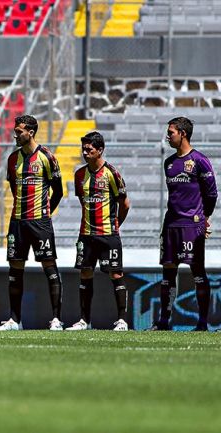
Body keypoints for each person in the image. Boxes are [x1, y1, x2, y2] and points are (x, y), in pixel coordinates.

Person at [0, 114, 65, 331]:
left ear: (30, 132)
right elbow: (15, 190)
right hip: (17, 222)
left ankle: (56, 319)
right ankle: (14, 320)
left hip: (40, 222)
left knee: (49, 266)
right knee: (15, 269)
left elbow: (58, 191)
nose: (15, 134)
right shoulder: (12, 159)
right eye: (15, 131)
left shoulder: (46, 157)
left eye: (19, 131)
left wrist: (44, 213)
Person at [150, 117, 218, 331]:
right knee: (168, 272)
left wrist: (204, 217)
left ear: (183, 134)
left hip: (192, 225)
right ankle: (164, 321)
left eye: (171, 132)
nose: (167, 136)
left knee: (198, 272)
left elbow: (212, 194)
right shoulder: (168, 163)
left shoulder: (199, 160)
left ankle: (202, 323)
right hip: (171, 224)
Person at [65, 132, 131, 331]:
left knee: (116, 274)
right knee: (85, 274)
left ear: (100, 150)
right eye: (83, 149)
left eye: (89, 149)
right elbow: (83, 202)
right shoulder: (79, 175)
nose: (85, 153)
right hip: (86, 235)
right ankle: (84, 320)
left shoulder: (112, 173)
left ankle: (122, 321)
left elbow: (125, 204)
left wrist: (115, 224)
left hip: (108, 234)